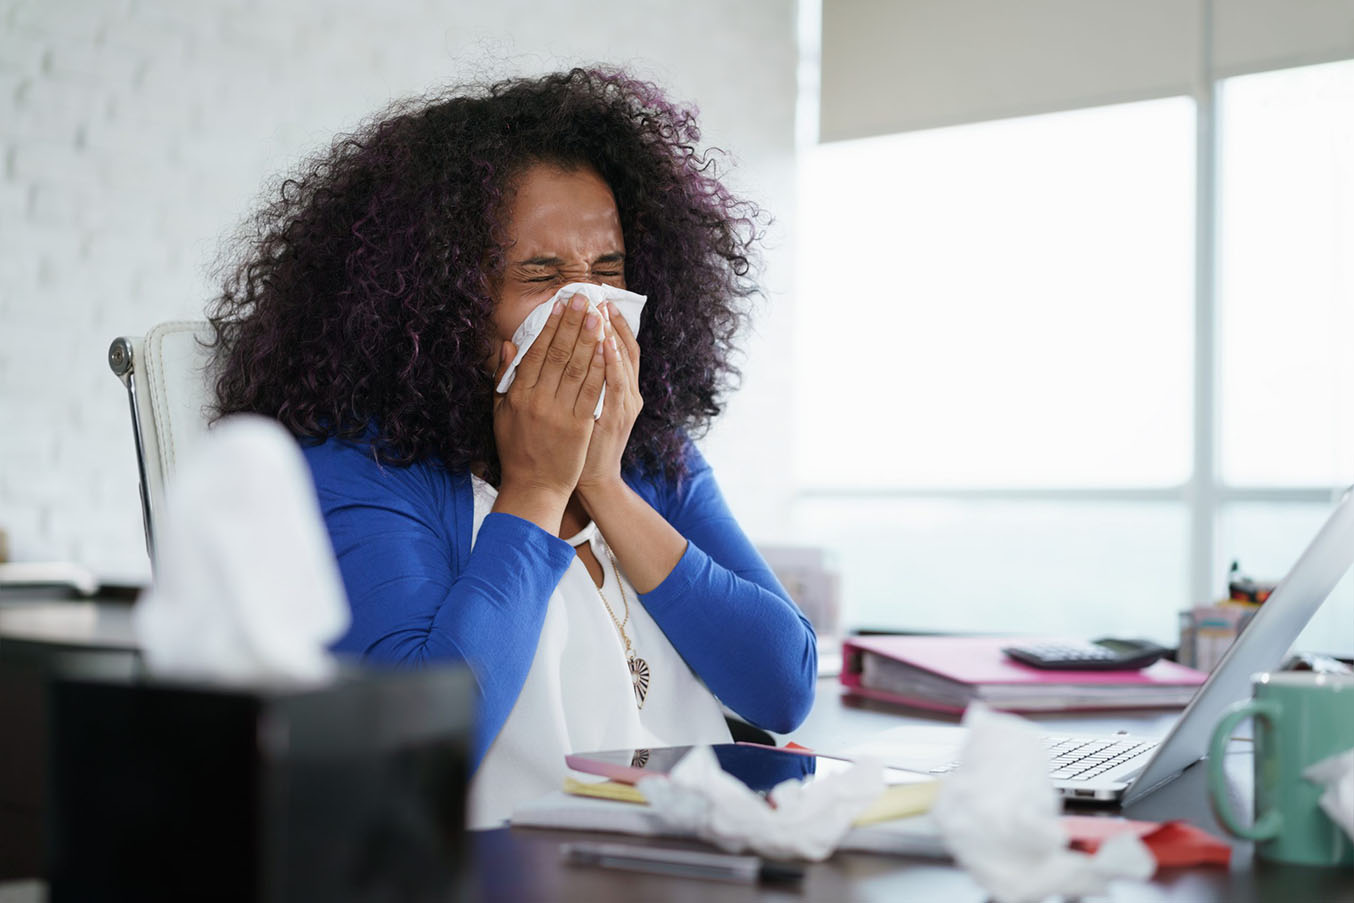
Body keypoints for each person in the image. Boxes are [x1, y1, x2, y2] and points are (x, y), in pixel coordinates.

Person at [207, 68, 817, 827]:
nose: (589, 308)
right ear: (437, 297)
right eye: (541, 275)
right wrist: (534, 489)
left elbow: (783, 687)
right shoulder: (357, 466)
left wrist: (603, 482)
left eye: (608, 271)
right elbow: (413, 757)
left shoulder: (654, 453)